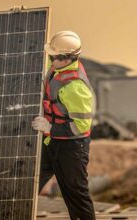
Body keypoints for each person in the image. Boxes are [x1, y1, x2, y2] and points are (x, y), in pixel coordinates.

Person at [31, 31, 96, 220]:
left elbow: (81, 126)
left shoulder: (76, 86)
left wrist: (50, 127)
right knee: (29, 182)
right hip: (51, 141)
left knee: (75, 195)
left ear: (67, 58)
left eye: (54, 57)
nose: (51, 60)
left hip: (72, 148)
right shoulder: (55, 70)